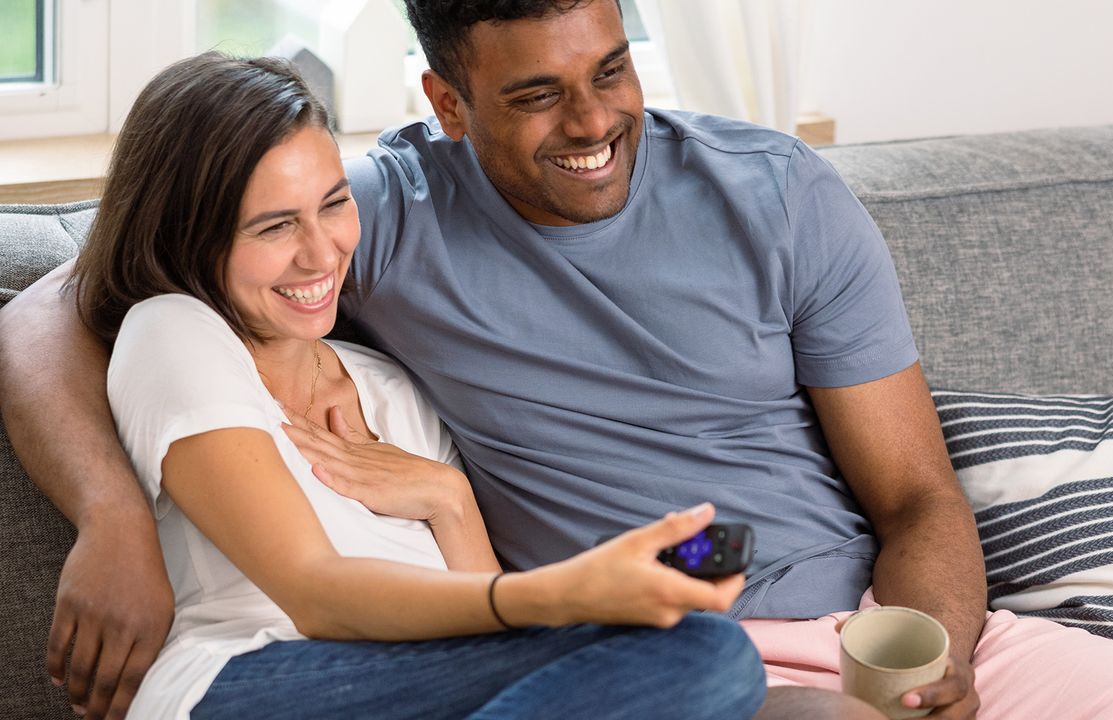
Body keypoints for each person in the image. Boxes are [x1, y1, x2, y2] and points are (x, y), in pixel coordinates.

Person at [0, 1, 1113, 719]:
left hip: (891, 625)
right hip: (678, 641)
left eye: (610, 70)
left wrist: (931, 641)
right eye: (537, 95)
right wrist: (112, 514)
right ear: (445, 103)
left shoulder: (775, 193)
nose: (597, 121)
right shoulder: (376, 213)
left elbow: (915, 498)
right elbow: (70, 292)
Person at [27, 51, 766, 720]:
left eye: (334, 204)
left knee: (698, 657)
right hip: (246, 680)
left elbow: (483, 632)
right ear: (189, 235)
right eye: (274, 227)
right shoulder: (177, 332)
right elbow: (315, 594)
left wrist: (447, 500)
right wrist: (573, 590)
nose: (321, 254)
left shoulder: (393, 388)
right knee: (711, 655)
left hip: (416, 688)